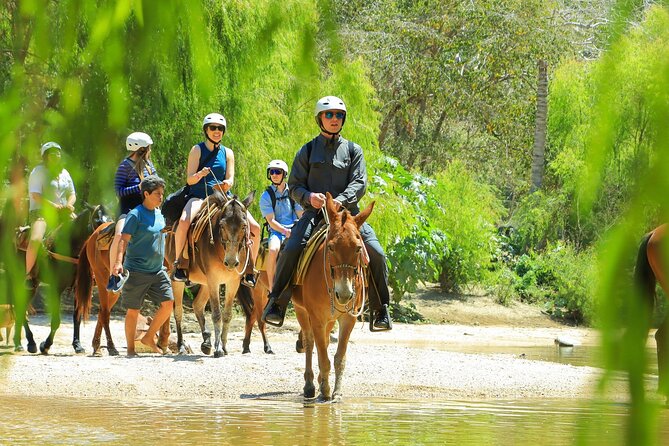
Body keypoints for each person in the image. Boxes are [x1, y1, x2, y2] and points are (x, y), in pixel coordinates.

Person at [261, 96, 392, 330]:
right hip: (315, 214)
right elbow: (295, 185)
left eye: (339, 115)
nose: (334, 119)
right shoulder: (307, 150)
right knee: (291, 249)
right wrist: (309, 197)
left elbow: (360, 183)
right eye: (329, 114)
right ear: (320, 119)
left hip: (348, 216)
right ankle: (276, 303)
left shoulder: (354, 151)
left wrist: (339, 202)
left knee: (377, 253)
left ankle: (381, 309)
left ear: (343, 119)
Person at [172, 113, 261, 286]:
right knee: (184, 221)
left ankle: (250, 268)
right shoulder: (196, 150)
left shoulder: (228, 153)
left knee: (256, 227)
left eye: (220, 128)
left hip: (223, 198)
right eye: (213, 128)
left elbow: (231, 178)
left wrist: (227, 183)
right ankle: (180, 263)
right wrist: (199, 175)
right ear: (206, 130)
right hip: (199, 196)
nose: (217, 131)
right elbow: (189, 179)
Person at [111, 175, 174, 356]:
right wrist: (117, 263)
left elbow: (160, 236)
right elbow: (123, 240)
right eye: (157, 193)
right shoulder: (135, 215)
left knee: (168, 303)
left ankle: (148, 337)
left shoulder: (159, 214)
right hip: (136, 271)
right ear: (146, 194)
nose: (161, 197)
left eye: (162, 193)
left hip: (157, 271)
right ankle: (130, 350)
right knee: (133, 310)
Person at [107, 132, 157, 292]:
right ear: (141, 149)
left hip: (148, 208)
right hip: (127, 210)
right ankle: (113, 275)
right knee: (119, 235)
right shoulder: (124, 166)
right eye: (148, 148)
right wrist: (139, 187)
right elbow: (119, 191)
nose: (150, 150)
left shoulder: (150, 166)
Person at [25, 142, 76, 284]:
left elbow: (72, 193)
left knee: (87, 232)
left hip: (63, 212)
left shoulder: (64, 172)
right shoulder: (38, 171)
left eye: (58, 153)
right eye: (52, 153)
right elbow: (35, 195)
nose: (56, 156)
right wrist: (54, 206)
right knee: (35, 240)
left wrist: (69, 205)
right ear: (45, 156)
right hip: (41, 212)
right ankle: (28, 275)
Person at [259, 159, 304, 292]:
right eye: (271, 172)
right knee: (273, 250)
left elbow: (300, 213)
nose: (274, 175)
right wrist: (285, 231)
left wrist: (299, 228)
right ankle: (273, 288)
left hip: (295, 230)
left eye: (277, 172)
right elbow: (271, 221)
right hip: (277, 232)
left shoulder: (293, 192)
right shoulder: (266, 196)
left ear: (284, 174)